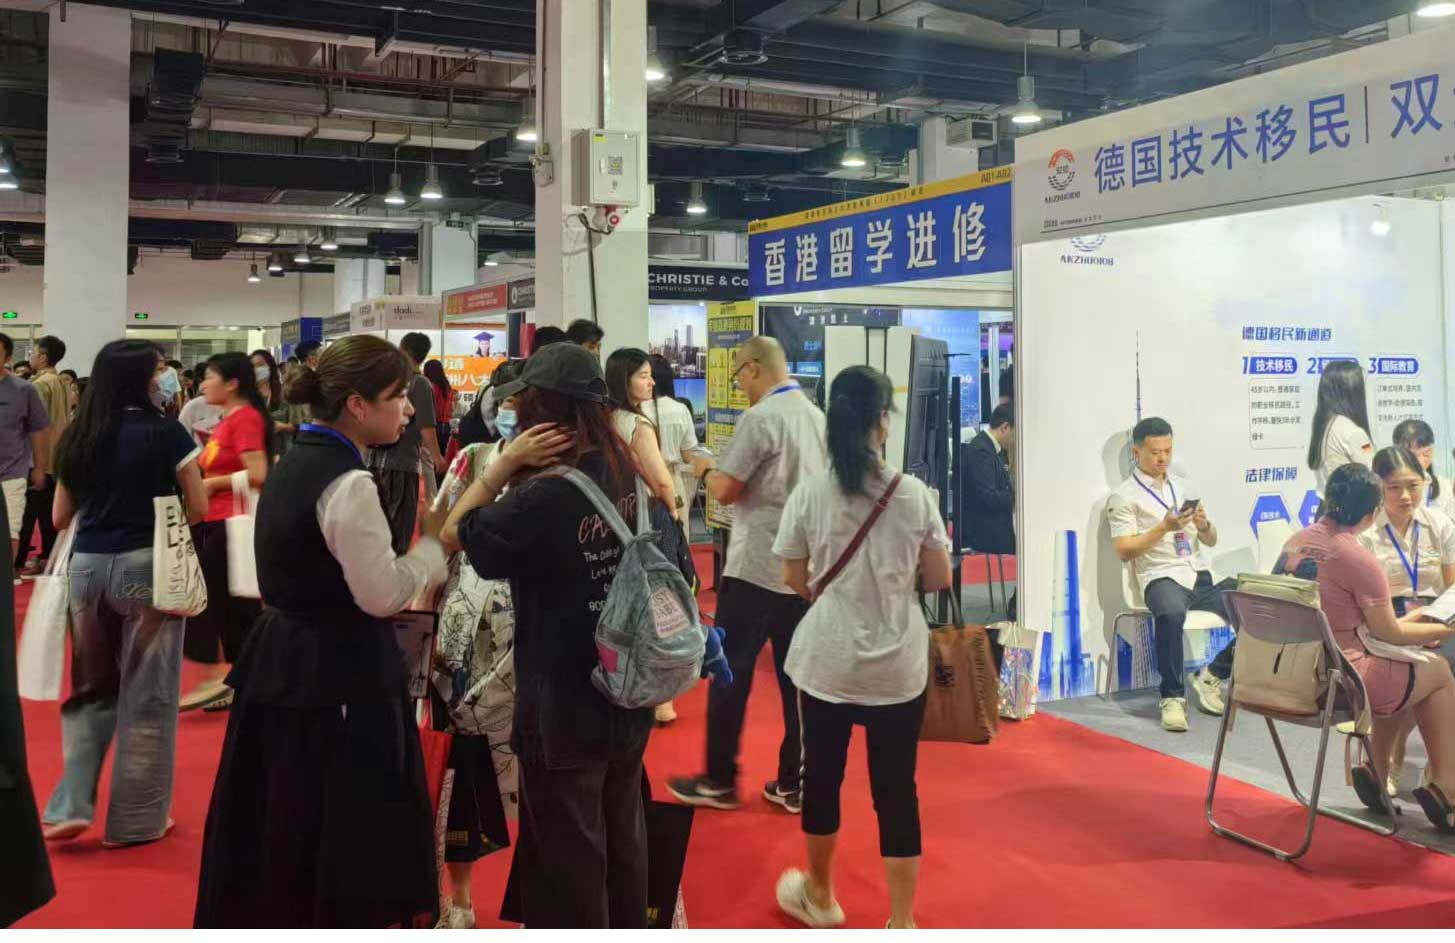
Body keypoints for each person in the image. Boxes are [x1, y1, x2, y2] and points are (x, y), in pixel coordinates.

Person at [194, 335, 447, 927]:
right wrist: (433, 549)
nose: (408, 409)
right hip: (336, 670)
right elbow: (381, 594)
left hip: (284, 657)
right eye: (398, 396)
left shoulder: (296, 461)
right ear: (357, 405)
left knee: (284, 810)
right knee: (335, 819)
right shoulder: (347, 481)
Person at [440, 342, 693, 927]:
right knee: (623, 838)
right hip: (628, 688)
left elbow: (454, 532)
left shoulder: (543, 495)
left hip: (562, 704)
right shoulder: (630, 473)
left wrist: (502, 466)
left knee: (569, 859)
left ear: (541, 412)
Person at [769, 366, 951, 930]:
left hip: (827, 663)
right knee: (896, 791)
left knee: (821, 781)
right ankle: (901, 920)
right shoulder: (913, 494)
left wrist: (838, 594)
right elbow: (939, 577)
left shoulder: (810, 493)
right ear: (882, 422)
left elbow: (793, 577)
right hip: (898, 667)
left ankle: (821, 898)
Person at [40, 340, 208, 846]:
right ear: (140, 379)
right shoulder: (167, 431)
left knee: (91, 688)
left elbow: (59, 517)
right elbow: (198, 506)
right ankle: (135, 819)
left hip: (87, 569)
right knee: (149, 693)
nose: (165, 379)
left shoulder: (79, 434)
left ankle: (71, 803)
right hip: (149, 566)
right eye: (158, 371)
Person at [669, 336, 827, 813]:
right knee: (797, 682)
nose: (738, 385)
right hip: (801, 569)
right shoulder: (816, 418)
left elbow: (726, 490)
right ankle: (796, 782)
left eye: (738, 375)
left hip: (755, 568)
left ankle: (719, 780)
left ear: (754, 368)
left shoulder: (761, 419)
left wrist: (705, 467)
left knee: (729, 672)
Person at [1276, 463, 1455, 834]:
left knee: (1405, 670)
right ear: (1372, 512)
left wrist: (1416, 623)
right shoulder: (1357, 558)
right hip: (1344, 677)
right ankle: (1447, 788)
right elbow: (1388, 632)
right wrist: (1442, 628)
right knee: (1436, 670)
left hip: (1293, 671)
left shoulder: (1296, 541)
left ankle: (1377, 767)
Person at [421, 361, 524, 929]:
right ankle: (458, 895)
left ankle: (542, 897)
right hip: (465, 634)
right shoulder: (476, 460)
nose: (513, 413)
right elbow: (439, 532)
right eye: (506, 403)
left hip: (539, 637)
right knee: (461, 768)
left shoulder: (570, 472)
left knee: (540, 772)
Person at [1107, 417, 1235, 732]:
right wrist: (1164, 527)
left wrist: (1203, 525)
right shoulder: (1124, 496)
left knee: (1257, 602)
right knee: (1170, 613)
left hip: (1198, 574)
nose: (1162, 458)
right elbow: (1124, 550)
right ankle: (1172, 697)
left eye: (1167, 450)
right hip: (1160, 575)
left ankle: (1212, 674)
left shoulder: (1184, 487)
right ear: (1137, 452)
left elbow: (1211, 540)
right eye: (1155, 452)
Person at [1358, 446, 1455, 798]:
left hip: (1436, 614)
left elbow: (1452, 586)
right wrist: (1412, 628)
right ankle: (1425, 766)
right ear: (1378, 487)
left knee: (1441, 661)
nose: (1405, 496)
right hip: (1387, 618)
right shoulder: (1366, 532)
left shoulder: (1438, 524)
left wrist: (1438, 621)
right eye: (1394, 487)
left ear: (1425, 481)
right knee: (1419, 669)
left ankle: (1434, 769)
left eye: (1413, 485)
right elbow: (1367, 606)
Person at [180, 352, 274, 712]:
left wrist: (213, 484)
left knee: (229, 604)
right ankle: (237, 677)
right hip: (219, 520)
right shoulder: (229, 419)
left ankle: (233, 675)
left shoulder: (245, 418)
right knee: (230, 604)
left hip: (235, 522)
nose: (203, 384)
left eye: (210, 377)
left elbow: (259, 473)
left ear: (232, 383)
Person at [367, 331, 443, 555]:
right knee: (399, 528)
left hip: (373, 461)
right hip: (402, 462)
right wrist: (438, 458)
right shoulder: (419, 383)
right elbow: (426, 426)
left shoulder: (384, 380)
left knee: (377, 526)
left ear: (401, 349)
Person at [604, 348, 680, 519]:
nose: (652, 382)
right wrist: (674, 513)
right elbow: (661, 482)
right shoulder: (638, 425)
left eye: (650, 376)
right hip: (643, 510)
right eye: (643, 376)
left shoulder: (607, 417)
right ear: (624, 381)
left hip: (617, 507)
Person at [15, 334, 68, 579]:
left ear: (44, 357)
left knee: (25, 516)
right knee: (47, 517)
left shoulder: (39, 385)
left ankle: (16, 562)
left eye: (33, 352)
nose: (31, 357)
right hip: (56, 458)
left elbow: (36, 426)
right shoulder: (61, 382)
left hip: (38, 459)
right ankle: (48, 559)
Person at [962, 402, 1017, 632]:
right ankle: (1017, 604)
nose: (1014, 440)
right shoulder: (981, 453)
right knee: (1031, 543)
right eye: (1014, 433)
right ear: (1005, 427)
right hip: (985, 531)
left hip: (991, 524)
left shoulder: (988, 450)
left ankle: (1018, 601)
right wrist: (1017, 498)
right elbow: (987, 497)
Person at [0, 332, 48, 568]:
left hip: (12, 471)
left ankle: (5, 578)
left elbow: (38, 430)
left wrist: (39, 467)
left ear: (8, 357)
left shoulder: (24, 390)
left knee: (10, 529)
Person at [645, 353, 702, 522]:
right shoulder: (680, 409)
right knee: (677, 532)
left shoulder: (637, 410)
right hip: (674, 481)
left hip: (644, 483)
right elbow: (688, 454)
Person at [1309, 359, 1373, 494]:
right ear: (1353, 391)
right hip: (1350, 505)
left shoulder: (1324, 424)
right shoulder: (1351, 432)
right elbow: (1374, 472)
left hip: (1328, 503)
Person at [1392, 419, 1455, 520]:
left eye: (1426, 452)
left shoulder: (1443, 486)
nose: (1421, 459)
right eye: (1413, 455)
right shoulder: (1386, 484)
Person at [251, 349, 294, 456]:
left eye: (260, 365)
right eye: (253, 366)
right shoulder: (246, 396)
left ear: (270, 366)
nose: (256, 369)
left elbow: (300, 426)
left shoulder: (285, 393)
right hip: (255, 452)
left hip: (281, 452)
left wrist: (283, 426)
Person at [423, 358, 456, 455]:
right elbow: (451, 408)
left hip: (433, 425)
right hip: (446, 426)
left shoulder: (431, 387)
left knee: (431, 455)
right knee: (442, 453)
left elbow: (430, 409)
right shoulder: (447, 387)